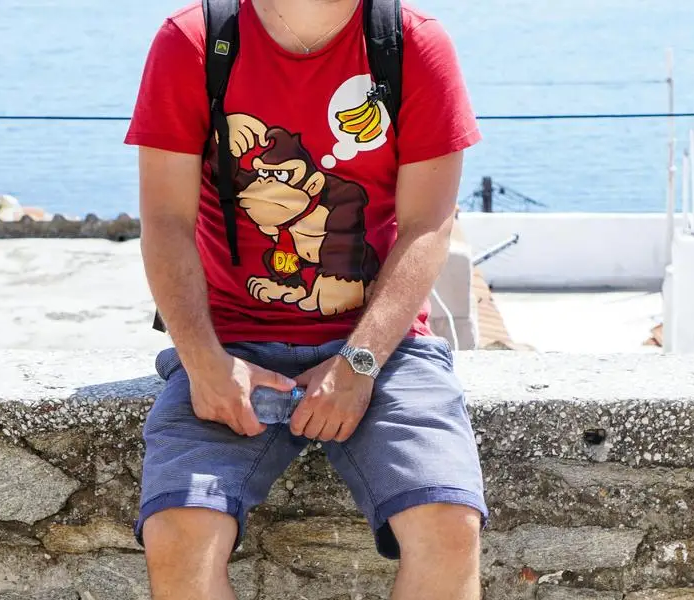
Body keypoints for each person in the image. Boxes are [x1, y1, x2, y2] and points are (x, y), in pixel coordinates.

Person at [124, 0, 488, 597]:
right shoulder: (195, 41)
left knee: (448, 525)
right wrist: (203, 363)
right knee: (179, 533)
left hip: (382, 344)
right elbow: (165, 221)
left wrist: (359, 361)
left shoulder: (411, 45)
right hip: (229, 344)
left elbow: (428, 225)